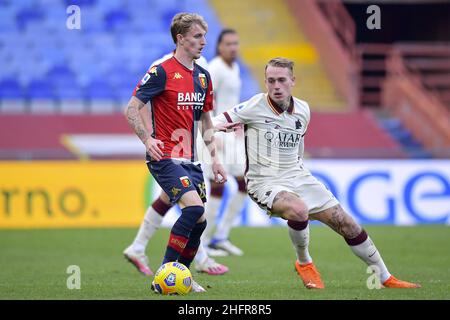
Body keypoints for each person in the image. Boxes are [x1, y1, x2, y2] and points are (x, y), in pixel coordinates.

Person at [213, 57, 421, 289]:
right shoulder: (254, 106)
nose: (276, 86)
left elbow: (298, 148)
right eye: (271, 81)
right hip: (265, 182)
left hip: (299, 177)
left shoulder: (303, 110)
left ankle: (385, 278)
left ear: (293, 81)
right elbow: (213, 122)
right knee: (299, 209)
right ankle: (304, 262)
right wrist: (217, 133)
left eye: (281, 80)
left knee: (348, 224)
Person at [124, 12, 227, 293]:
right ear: (180, 39)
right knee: (193, 208)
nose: (204, 42)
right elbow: (132, 108)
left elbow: (206, 120)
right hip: (164, 156)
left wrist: (215, 159)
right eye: (197, 36)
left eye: (204, 36)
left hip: (191, 159)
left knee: (200, 220)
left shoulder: (203, 78)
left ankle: (182, 273)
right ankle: (165, 275)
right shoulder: (162, 71)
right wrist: (147, 140)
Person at [199, 28, 247, 256]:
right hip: (216, 134)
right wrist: (212, 135)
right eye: (229, 44)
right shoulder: (215, 68)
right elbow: (207, 104)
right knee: (217, 186)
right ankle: (204, 241)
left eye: (236, 43)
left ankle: (221, 235)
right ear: (219, 46)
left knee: (245, 183)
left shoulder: (235, 67)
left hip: (231, 135)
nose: (233, 47)